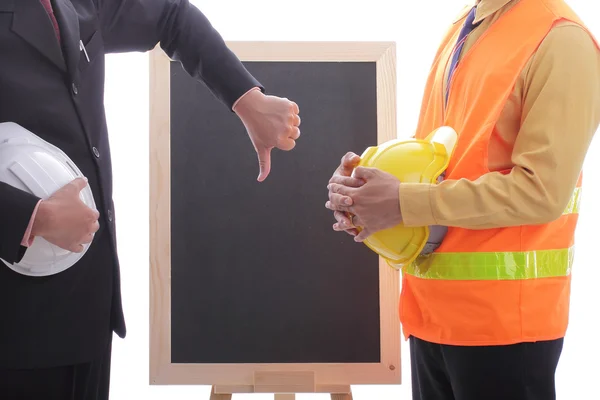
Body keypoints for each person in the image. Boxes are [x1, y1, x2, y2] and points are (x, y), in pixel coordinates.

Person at [0, 0, 300, 398]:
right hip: (15, 322)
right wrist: (30, 218)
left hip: (84, 306)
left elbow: (170, 15)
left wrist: (247, 99)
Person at [326, 0, 600, 399]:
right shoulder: (466, 26)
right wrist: (367, 186)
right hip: (431, 317)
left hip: (504, 330)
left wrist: (403, 202)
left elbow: (542, 191)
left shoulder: (560, 38)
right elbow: (443, 161)